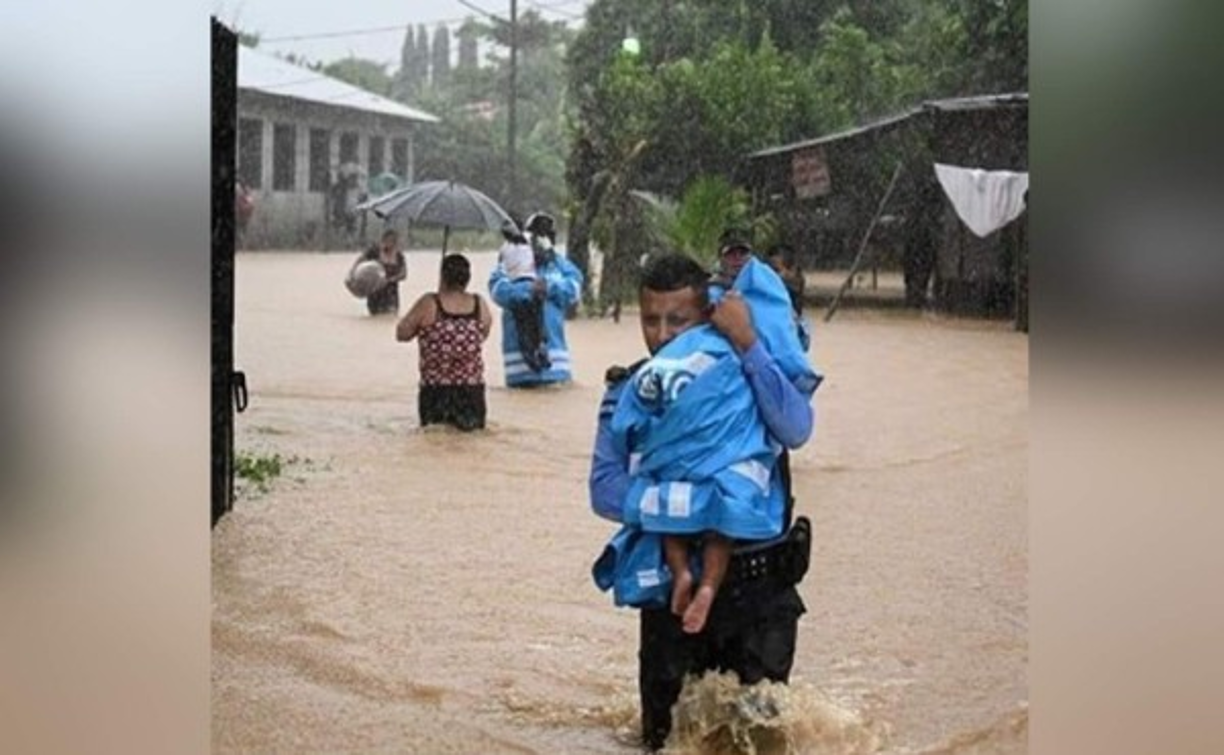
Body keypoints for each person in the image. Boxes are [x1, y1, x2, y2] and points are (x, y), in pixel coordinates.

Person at [590, 250, 821, 750]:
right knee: (665, 741)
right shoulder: (632, 391)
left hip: (760, 594)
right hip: (671, 598)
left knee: (760, 740)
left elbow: (796, 428)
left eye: (678, 321)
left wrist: (749, 343)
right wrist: (699, 504)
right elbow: (604, 488)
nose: (662, 336)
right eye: (650, 320)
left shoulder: (746, 373)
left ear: (707, 316)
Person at [395, 254, 492, 431]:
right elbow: (483, 334)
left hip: (435, 391)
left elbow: (402, 333)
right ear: (467, 279)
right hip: (472, 392)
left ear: (443, 276)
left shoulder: (429, 303)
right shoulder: (480, 304)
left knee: (435, 438)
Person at [488, 211, 584, 387]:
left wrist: (549, 287)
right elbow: (498, 291)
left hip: (556, 367)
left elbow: (574, 289)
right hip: (519, 370)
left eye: (546, 235)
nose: (541, 240)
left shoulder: (560, 265)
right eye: (537, 234)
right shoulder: (510, 262)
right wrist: (529, 289)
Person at [497, 219, 550, 373]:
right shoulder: (529, 242)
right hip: (533, 286)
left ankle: (530, 359)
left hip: (515, 289)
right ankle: (542, 349)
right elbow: (543, 258)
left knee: (522, 326)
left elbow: (500, 270)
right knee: (538, 322)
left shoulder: (504, 248)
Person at [351, 228, 407, 316]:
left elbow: (404, 274)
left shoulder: (399, 256)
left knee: (390, 316)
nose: (389, 244)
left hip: (391, 293)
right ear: (383, 241)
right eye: (387, 241)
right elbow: (360, 260)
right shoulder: (374, 252)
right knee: (374, 316)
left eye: (392, 242)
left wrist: (390, 279)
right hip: (374, 292)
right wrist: (353, 272)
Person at [764, 243, 806, 317]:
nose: (770, 275)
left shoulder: (793, 283)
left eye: (775, 270)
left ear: (792, 270)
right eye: (766, 270)